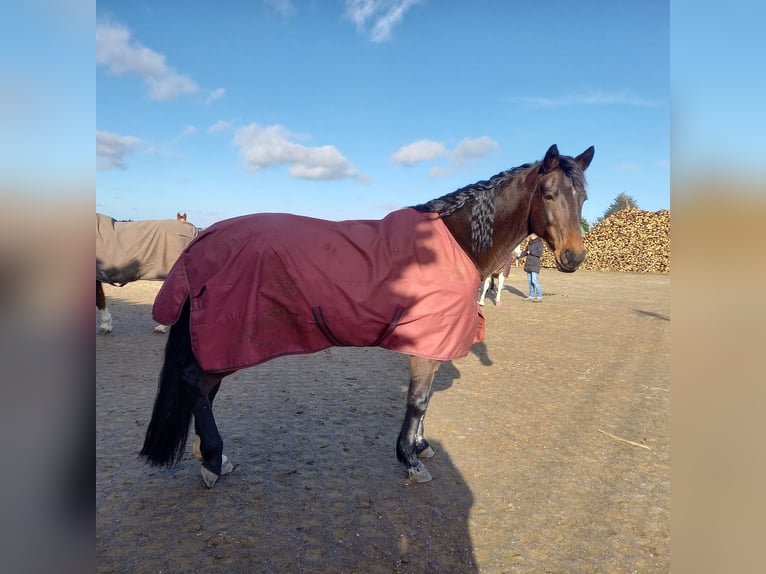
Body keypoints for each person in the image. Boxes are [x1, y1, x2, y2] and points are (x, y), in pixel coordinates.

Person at [519, 233, 544, 301]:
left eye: (531, 234)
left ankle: (539, 296)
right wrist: (518, 256)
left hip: (535, 264)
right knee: (530, 281)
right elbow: (525, 252)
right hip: (529, 264)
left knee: (534, 280)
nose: (529, 235)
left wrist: (531, 252)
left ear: (535, 235)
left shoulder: (539, 243)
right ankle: (531, 295)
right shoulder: (530, 242)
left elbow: (539, 253)